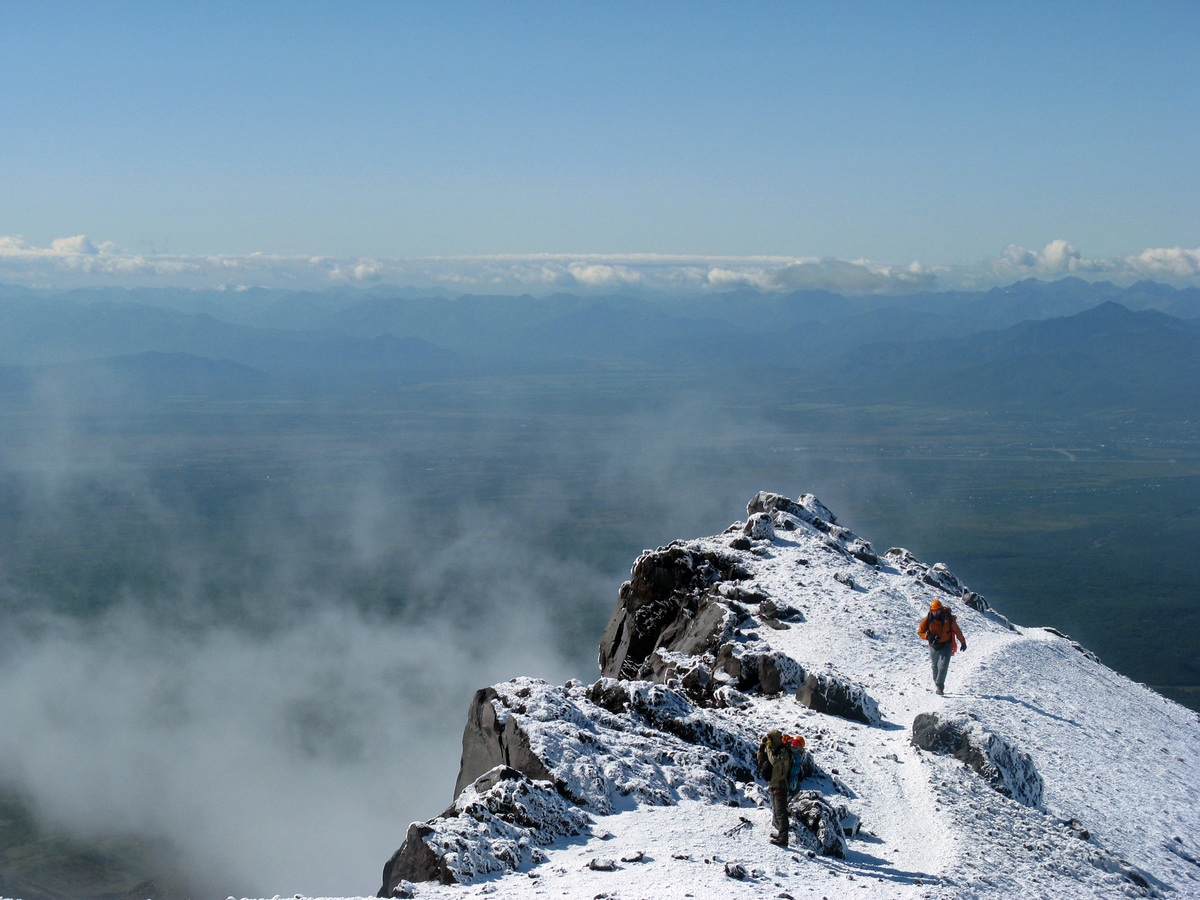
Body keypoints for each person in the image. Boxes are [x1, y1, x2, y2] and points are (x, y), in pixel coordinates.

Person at [918, 598, 967, 695]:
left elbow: (957, 631)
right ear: (931, 611)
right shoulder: (928, 620)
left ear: (941, 610)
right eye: (934, 611)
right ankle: (937, 682)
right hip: (933, 646)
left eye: (938, 611)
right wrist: (928, 636)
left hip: (946, 645)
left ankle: (940, 686)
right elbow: (920, 632)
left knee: (943, 666)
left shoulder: (948, 619)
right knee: (935, 665)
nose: (936, 613)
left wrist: (963, 642)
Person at [756, 729, 793, 846]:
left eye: (770, 738)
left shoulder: (783, 751)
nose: (769, 740)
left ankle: (783, 838)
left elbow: (774, 761)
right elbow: (761, 758)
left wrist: (769, 748)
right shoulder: (774, 749)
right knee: (777, 811)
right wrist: (763, 747)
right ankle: (780, 833)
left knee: (781, 812)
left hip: (781, 784)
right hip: (774, 783)